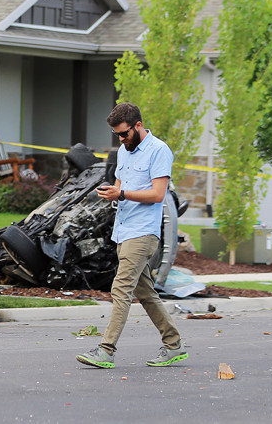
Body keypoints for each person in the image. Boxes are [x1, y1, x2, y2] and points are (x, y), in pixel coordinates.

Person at [76, 102, 186, 369]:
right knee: (146, 293)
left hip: (143, 234)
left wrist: (122, 194)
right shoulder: (124, 151)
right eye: (117, 135)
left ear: (138, 125)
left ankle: (106, 350)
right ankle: (174, 345)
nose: (121, 139)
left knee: (121, 288)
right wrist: (111, 192)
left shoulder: (159, 151)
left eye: (124, 133)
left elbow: (158, 195)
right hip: (123, 230)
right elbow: (120, 185)